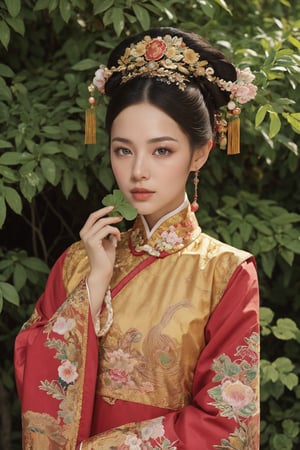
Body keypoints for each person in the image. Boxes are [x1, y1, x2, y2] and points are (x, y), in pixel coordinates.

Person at [14, 27, 260, 449]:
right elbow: (31, 369)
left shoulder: (226, 273)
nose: (138, 171)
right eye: (123, 150)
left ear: (199, 153)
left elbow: (228, 424)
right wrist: (93, 284)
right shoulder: (79, 261)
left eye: (162, 150)